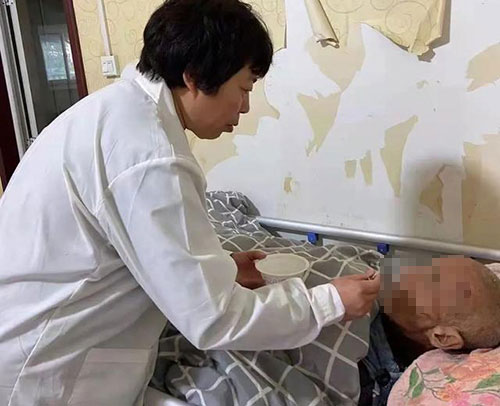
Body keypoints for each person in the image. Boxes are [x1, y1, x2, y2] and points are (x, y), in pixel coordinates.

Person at [0, 0, 380, 404]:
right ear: (195, 77)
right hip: (47, 375)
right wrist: (329, 303)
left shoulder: (117, 112)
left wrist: (220, 269)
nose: (245, 106)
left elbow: (134, 248)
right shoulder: (150, 156)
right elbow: (214, 318)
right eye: (244, 88)